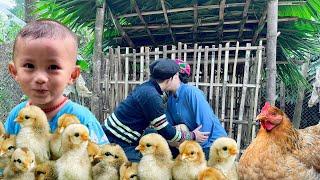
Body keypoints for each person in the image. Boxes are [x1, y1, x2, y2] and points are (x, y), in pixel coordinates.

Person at [5, 19, 109, 145]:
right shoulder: (16, 117)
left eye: (53, 67)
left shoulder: (83, 120)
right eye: (29, 65)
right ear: (14, 71)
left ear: (72, 75)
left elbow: (103, 161)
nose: (40, 78)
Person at [103, 58, 209, 162]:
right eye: (176, 76)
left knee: (162, 142)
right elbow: (167, 132)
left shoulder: (148, 88)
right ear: (170, 79)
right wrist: (193, 135)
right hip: (115, 142)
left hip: (124, 136)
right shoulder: (151, 96)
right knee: (156, 160)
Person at [166, 59, 227, 159]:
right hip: (192, 143)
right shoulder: (170, 100)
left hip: (212, 144)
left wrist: (195, 149)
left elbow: (206, 123)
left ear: (176, 75)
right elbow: (170, 128)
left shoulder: (191, 92)